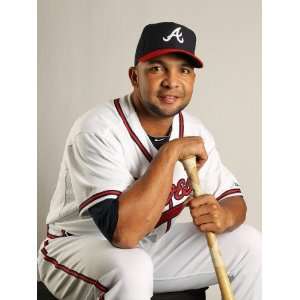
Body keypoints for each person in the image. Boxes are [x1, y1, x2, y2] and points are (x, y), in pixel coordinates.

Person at [38, 22, 261, 300]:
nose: (172, 80)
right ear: (134, 76)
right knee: (133, 266)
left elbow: (234, 201)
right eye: (157, 68)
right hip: (76, 247)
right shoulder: (97, 128)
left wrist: (223, 215)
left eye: (184, 70)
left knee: (251, 243)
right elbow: (124, 235)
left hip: (149, 246)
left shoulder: (194, 129)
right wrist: (169, 153)